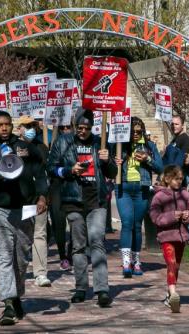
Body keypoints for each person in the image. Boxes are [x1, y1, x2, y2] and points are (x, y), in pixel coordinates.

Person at [0, 111, 48, 326]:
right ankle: (8, 303)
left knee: (21, 258)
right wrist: (0, 174)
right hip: (0, 211)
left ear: (11, 126)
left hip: (25, 209)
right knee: (3, 257)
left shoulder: (25, 147)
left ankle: (16, 295)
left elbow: (40, 172)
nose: (3, 128)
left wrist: (42, 196)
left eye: (7, 124)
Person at [47, 110, 117, 307]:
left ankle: (102, 289)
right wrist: (69, 171)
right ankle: (80, 287)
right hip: (73, 200)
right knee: (78, 246)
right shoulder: (63, 141)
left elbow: (112, 172)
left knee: (97, 242)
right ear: (75, 126)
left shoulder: (99, 142)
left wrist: (107, 160)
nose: (83, 132)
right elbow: (51, 167)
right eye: (80, 128)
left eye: (87, 128)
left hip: (97, 201)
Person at [115, 117, 163, 278]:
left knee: (137, 225)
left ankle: (136, 260)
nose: (135, 134)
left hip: (142, 188)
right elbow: (108, 164)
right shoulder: (120, 145)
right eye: (132, 131)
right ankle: (126, 261)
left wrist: (147, 159)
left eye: (138, 131)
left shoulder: (149, 146)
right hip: (124, 188)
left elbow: (160, 167)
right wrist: (116, 162)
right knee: (127, 222)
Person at [149, 165, 189, 313]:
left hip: (181, 237)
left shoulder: (185, 194)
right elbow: (155, 217)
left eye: (181, 179)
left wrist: (188, 215)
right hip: (166, 236)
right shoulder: (159, 196)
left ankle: (170, 295)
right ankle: (174, 293)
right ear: (168, 179)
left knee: (176, 266)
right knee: (171, 262)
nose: (179, 182)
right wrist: (171, 216)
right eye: (177, 179)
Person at [17, 115, 51, 287]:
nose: (31, 129)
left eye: (33, 126)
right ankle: (19, 271)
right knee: (20, 237)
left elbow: (42, 175)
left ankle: (40, 273)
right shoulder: (11, 147)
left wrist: (43, 196)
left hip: (37, 199)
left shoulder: (41, 149)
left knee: (39, 234)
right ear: (19, 128)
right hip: (17, 200)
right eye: (27, 126)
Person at [51, 124, 73, 271]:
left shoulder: (79, 143)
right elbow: (50, 167)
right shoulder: (56, 143)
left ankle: (71, 253)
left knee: (75, 223)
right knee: (58, 223)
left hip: (74, 187)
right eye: (63, 128)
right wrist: (63, 171)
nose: (66, 130)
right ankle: (62, 255)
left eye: (68, 127)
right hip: (58, 186)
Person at [164, 115, 189, 189]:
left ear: (182, 126)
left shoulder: (186, 139)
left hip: (180, 178)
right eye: (172, 124)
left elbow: (187, 161)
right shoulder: (175, 139)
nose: (174, 126)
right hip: (171, 177)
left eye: (177, 124)